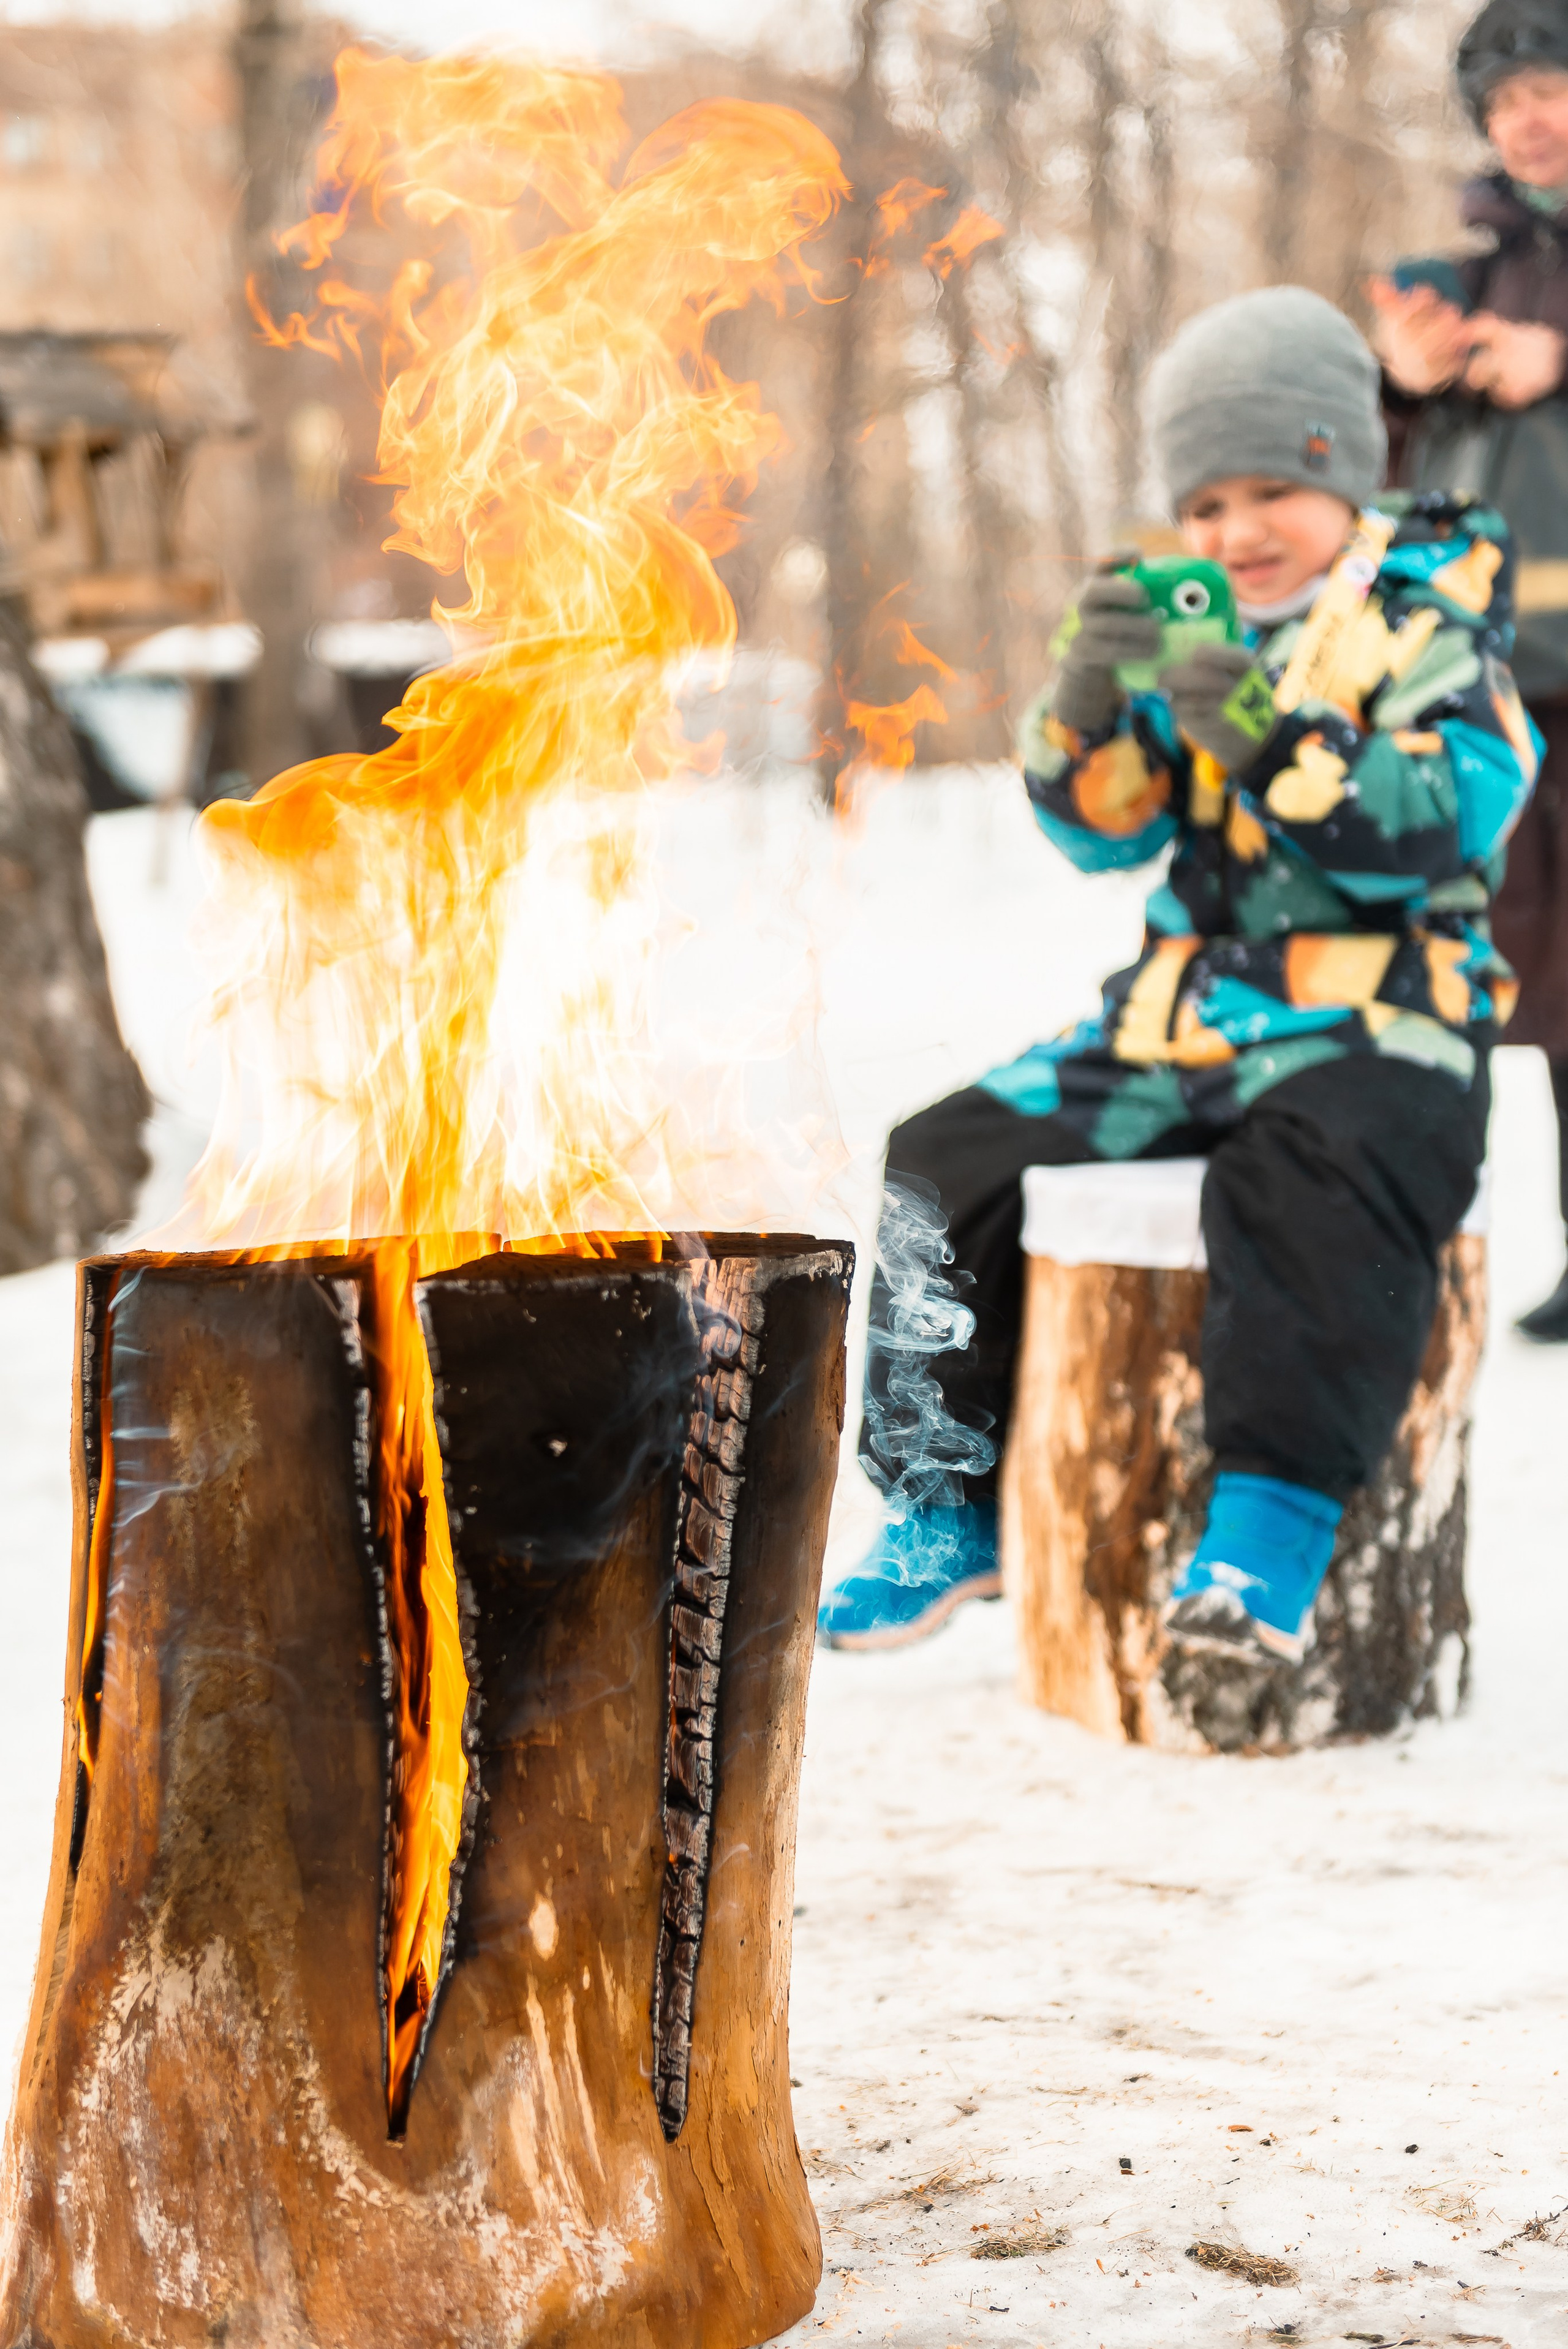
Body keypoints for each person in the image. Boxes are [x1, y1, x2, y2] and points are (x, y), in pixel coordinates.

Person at [819, 286, 1537, 1662]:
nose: (1235, 532)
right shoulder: (1194, 631)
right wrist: (1088, 705)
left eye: (1273, 490)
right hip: (1186, 1019)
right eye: (1205, 505)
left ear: (1348, 473)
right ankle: (943, 1503)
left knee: (1311, 1179)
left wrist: (1270, 738)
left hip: (1381, 1024)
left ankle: (1267, 1530)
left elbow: (1443, 823)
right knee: (944, 1159)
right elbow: (1106, 832)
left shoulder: (1429, 628)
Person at [1369, 0, 1568, 1338]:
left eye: (1545, 88)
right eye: (1500, 104)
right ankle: (1433, 1258)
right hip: (1475, 686)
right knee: (1463, 981)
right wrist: (1400, 382)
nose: (1523, 120)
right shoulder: (1459, 280)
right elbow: (1375, 483)